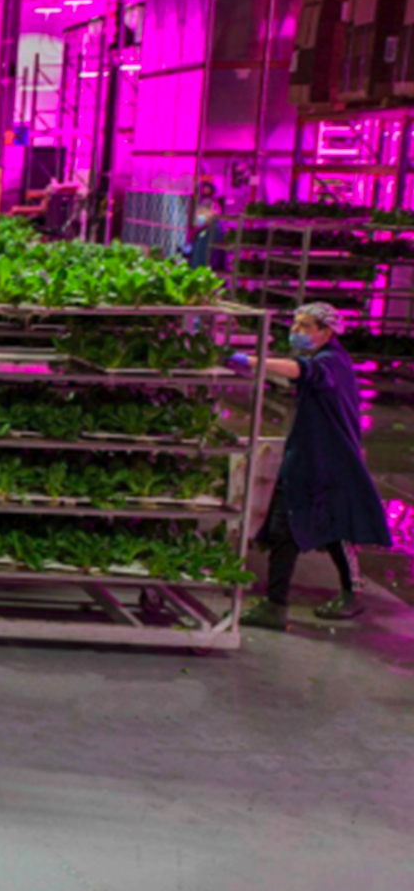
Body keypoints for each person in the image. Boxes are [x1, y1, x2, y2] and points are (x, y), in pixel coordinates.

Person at [229, 303, 391, 629]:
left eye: (305, 326)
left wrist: (250, 361)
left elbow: (300, 371)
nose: (297, 332)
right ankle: (282, 604)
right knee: (306, 529)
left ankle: (294, 603)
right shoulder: (329, 358)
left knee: (319, 529)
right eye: (296, 325)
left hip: (326, 461)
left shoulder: (329, 362)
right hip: (312, 457)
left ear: (326, 332)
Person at [181, 202, 221, 271]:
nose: (200, 215)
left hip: (202, 268)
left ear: (211, 212)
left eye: (202, 212)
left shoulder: (214, 229)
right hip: (196, 266)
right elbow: (193, 246)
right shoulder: (203, 230)